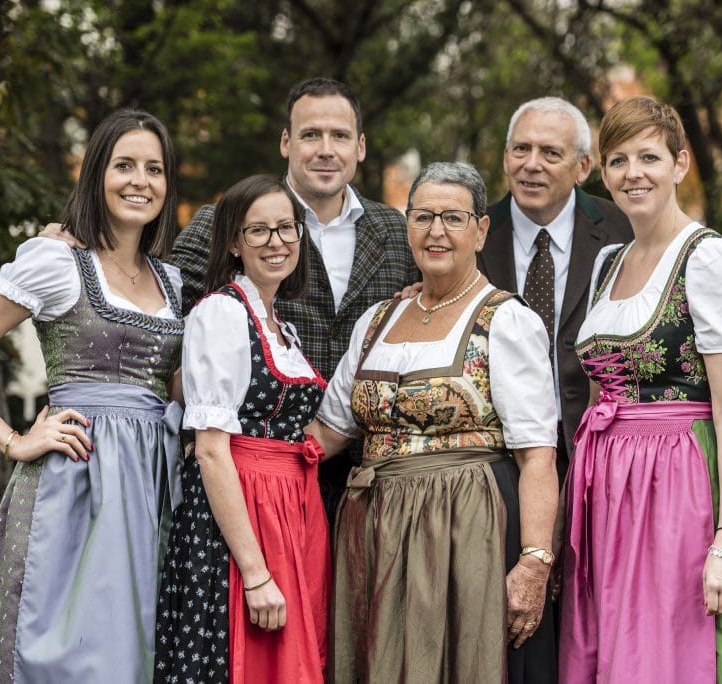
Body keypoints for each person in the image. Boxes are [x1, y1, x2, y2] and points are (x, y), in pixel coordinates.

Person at [0, 108, 184, 682]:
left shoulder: (173, 280)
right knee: (67, 655)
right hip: (77, 484)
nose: (141, 180)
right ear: (94, 175)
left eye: (154, 169)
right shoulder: (57, 263)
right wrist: (12, 440)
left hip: (152, 488)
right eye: (124, 165)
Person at [557, 96, 722, 682]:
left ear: (681, 164)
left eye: (649, 157)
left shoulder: (714, 260)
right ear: (602, 173)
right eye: (619, 160)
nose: (634, 173)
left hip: (676, 489)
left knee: (663, 656)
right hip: (606, 489)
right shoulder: (609, 260)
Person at [309, 162, 559, 683]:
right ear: (408, 227)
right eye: (423, 217)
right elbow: (330, 432)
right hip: (376, 529)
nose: (437, 231)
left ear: (481, 230)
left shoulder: (507, 321)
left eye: (452, 217)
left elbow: (537, 453)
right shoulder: (377, 320)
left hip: (466, 527)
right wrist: (247, 458)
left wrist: (535, 562)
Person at [169, 78, 420, 521]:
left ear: (360, 146)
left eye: (339, 136)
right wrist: (85, 245)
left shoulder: (399, 234)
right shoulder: (223, 223)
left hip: (372, 480)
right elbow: (162, 314)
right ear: (286, 142)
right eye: (310, 135)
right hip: (260, 479)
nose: (326, 150)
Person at [154, 175, 330, 684]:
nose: (276, 242)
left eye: (286, 228)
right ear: (234, 241)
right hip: (238, 517)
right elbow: (210, 451)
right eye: (258, 231)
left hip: (286, 510)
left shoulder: (281, 326)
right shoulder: (222, 313)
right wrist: (253, 573)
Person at [480, 97, 633, 476]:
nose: (532, 164)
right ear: (505, 157)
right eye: (521, 149)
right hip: (497, 459)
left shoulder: (624, 230)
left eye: (550, 153)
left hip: (595, 452)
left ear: (582, 167)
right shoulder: (474, 232)